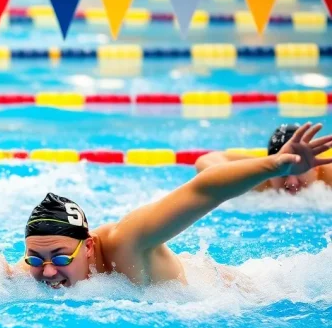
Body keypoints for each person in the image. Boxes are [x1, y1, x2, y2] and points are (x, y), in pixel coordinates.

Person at [20, 122, 332, 288]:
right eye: (35, 260)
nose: (48, 272)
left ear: (88, 247)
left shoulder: (127, 241)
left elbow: (204, 190)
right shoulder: (40, 265)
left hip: (248, 292)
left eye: (60, 259)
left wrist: (274, 167)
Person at [195, 123, 332, 194]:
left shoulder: (328, 177)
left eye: (297, 172)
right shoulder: (260, 179)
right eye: (282, 174)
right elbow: (207, 161)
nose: (291, 183)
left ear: (315, 167)